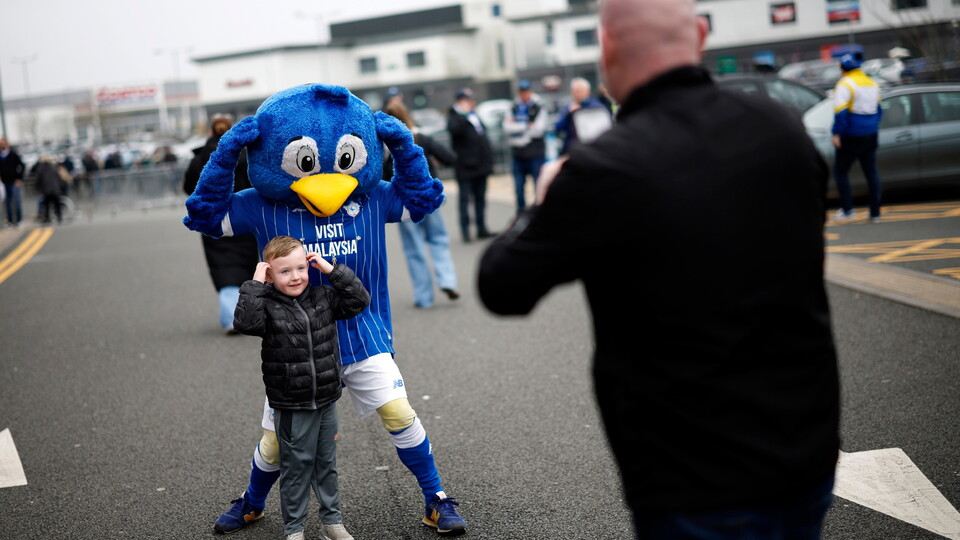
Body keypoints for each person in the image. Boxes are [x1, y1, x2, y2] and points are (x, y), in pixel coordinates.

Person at [476, 0, 841, 538]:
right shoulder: (779, 128)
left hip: (690, 476)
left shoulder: (604, 169)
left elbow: (501, 286)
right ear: (698, 34)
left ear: (607, 54)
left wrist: (540, 202)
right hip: (807, 453)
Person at [234, 236, 370, 540]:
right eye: (284, 272)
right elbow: (245, 323)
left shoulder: (323, 296)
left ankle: (331, 522)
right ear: (270, 274)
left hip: (325, 397)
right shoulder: (266, 306)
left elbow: (359, 299)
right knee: (296, 468)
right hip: (291, 403)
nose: (295, 277)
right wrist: (256, 283)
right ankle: (294, 529)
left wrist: (331, 269)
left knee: (326, 464)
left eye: (300, 268)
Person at [184, 114, 260, 334]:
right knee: (246, 265)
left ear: (210, 131)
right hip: (243, 216)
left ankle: (230, 318)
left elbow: (189, 187)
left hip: (214, 217)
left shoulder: (199, 159)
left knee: (223, 267)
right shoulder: (245, 155)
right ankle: (249, 314)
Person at [382, 99, 461, 309]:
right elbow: (450, 157)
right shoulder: (421, 138)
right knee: (439, 239)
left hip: (404, 204)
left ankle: (423, 296)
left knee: (413, 249)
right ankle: (447, 280)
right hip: (429, 199)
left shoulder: (385, 147)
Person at [832, 52, 882, 223]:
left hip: (852, 134)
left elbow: (841, 112)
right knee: (871, 172)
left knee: (840, 171)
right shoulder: (872, 83)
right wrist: (872, 127)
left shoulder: (845, 84)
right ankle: (875, 213)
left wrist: (837, 133)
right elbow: (879, 110)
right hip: (870, 133)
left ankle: (847, 209)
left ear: (843, 69)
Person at [447, 87, 493, 242]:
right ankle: (465, 230)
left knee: (480, 198)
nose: (471, 103)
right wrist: (463, 114)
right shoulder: (454, 116)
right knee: (465, 199)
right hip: (465, 166)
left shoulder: (475, 115)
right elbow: (455, 130)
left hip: (480, 165)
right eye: (468, 100)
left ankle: (482, 228)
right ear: (460, 102)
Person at [503, 79, 548, 212]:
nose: (524, 95)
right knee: (519, 189)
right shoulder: (513, 107)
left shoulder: (538, 106)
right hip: (518, 154)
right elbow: (507, 128)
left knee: (538, 187)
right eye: (521, 92)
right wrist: (526, 125)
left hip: (535, 153)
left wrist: (516, 126)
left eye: (526, 91)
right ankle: (521, 214)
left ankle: (540, 213)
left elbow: (538, 130)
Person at [554, 77, 613, 156]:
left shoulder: (597, 108)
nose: (577, 94)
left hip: (592, 149)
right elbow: (558, 127)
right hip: (572, 149)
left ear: (587, 92)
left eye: (580, 91)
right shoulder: (568, 108)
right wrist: (569, 115)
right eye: (575, 91)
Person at [0, 137, 25, 228]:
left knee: (16, 201)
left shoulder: (13, 154)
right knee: (7, 203)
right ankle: (10, 221)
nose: (1, 144)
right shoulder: (0, 155)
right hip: (5, 182)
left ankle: (19, 220)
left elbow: (22, 165)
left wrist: (19, 178)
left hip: (14, 182)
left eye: (3, 142)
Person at [34, 155, 63, 224]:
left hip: (46, 189)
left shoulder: (41, 168)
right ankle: (59, 217)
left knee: (47, 205)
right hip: (55, 188)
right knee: (57, 204)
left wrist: (38, 188)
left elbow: (38, 179)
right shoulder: (54, 167)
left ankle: (47, 218)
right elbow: (58, 177)